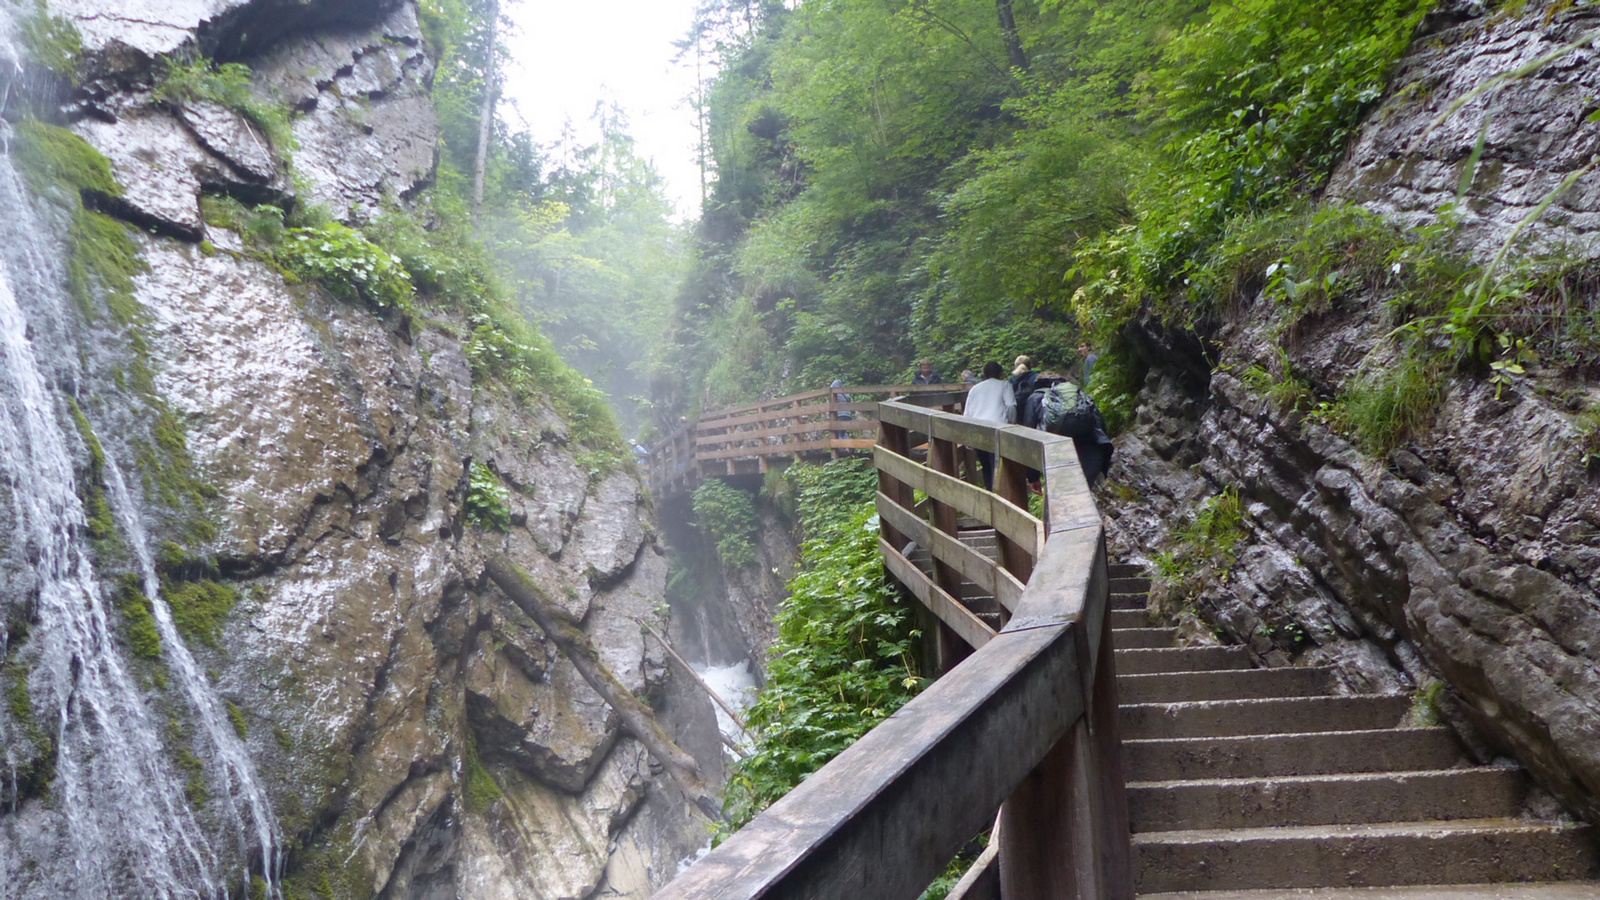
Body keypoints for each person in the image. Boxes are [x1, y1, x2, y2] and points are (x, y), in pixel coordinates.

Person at [963, 361, 1015, 489]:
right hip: (998, 429)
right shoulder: (1004, 385)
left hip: (979, 431)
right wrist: (1011, 423)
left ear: (984, 374)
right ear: (1000, 373)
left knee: (986, 466)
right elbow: (1011, 406)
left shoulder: (975, 389)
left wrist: (968, 437)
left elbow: (967, 414)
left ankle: (990, 493)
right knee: (998, 465)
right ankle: (999, 495)